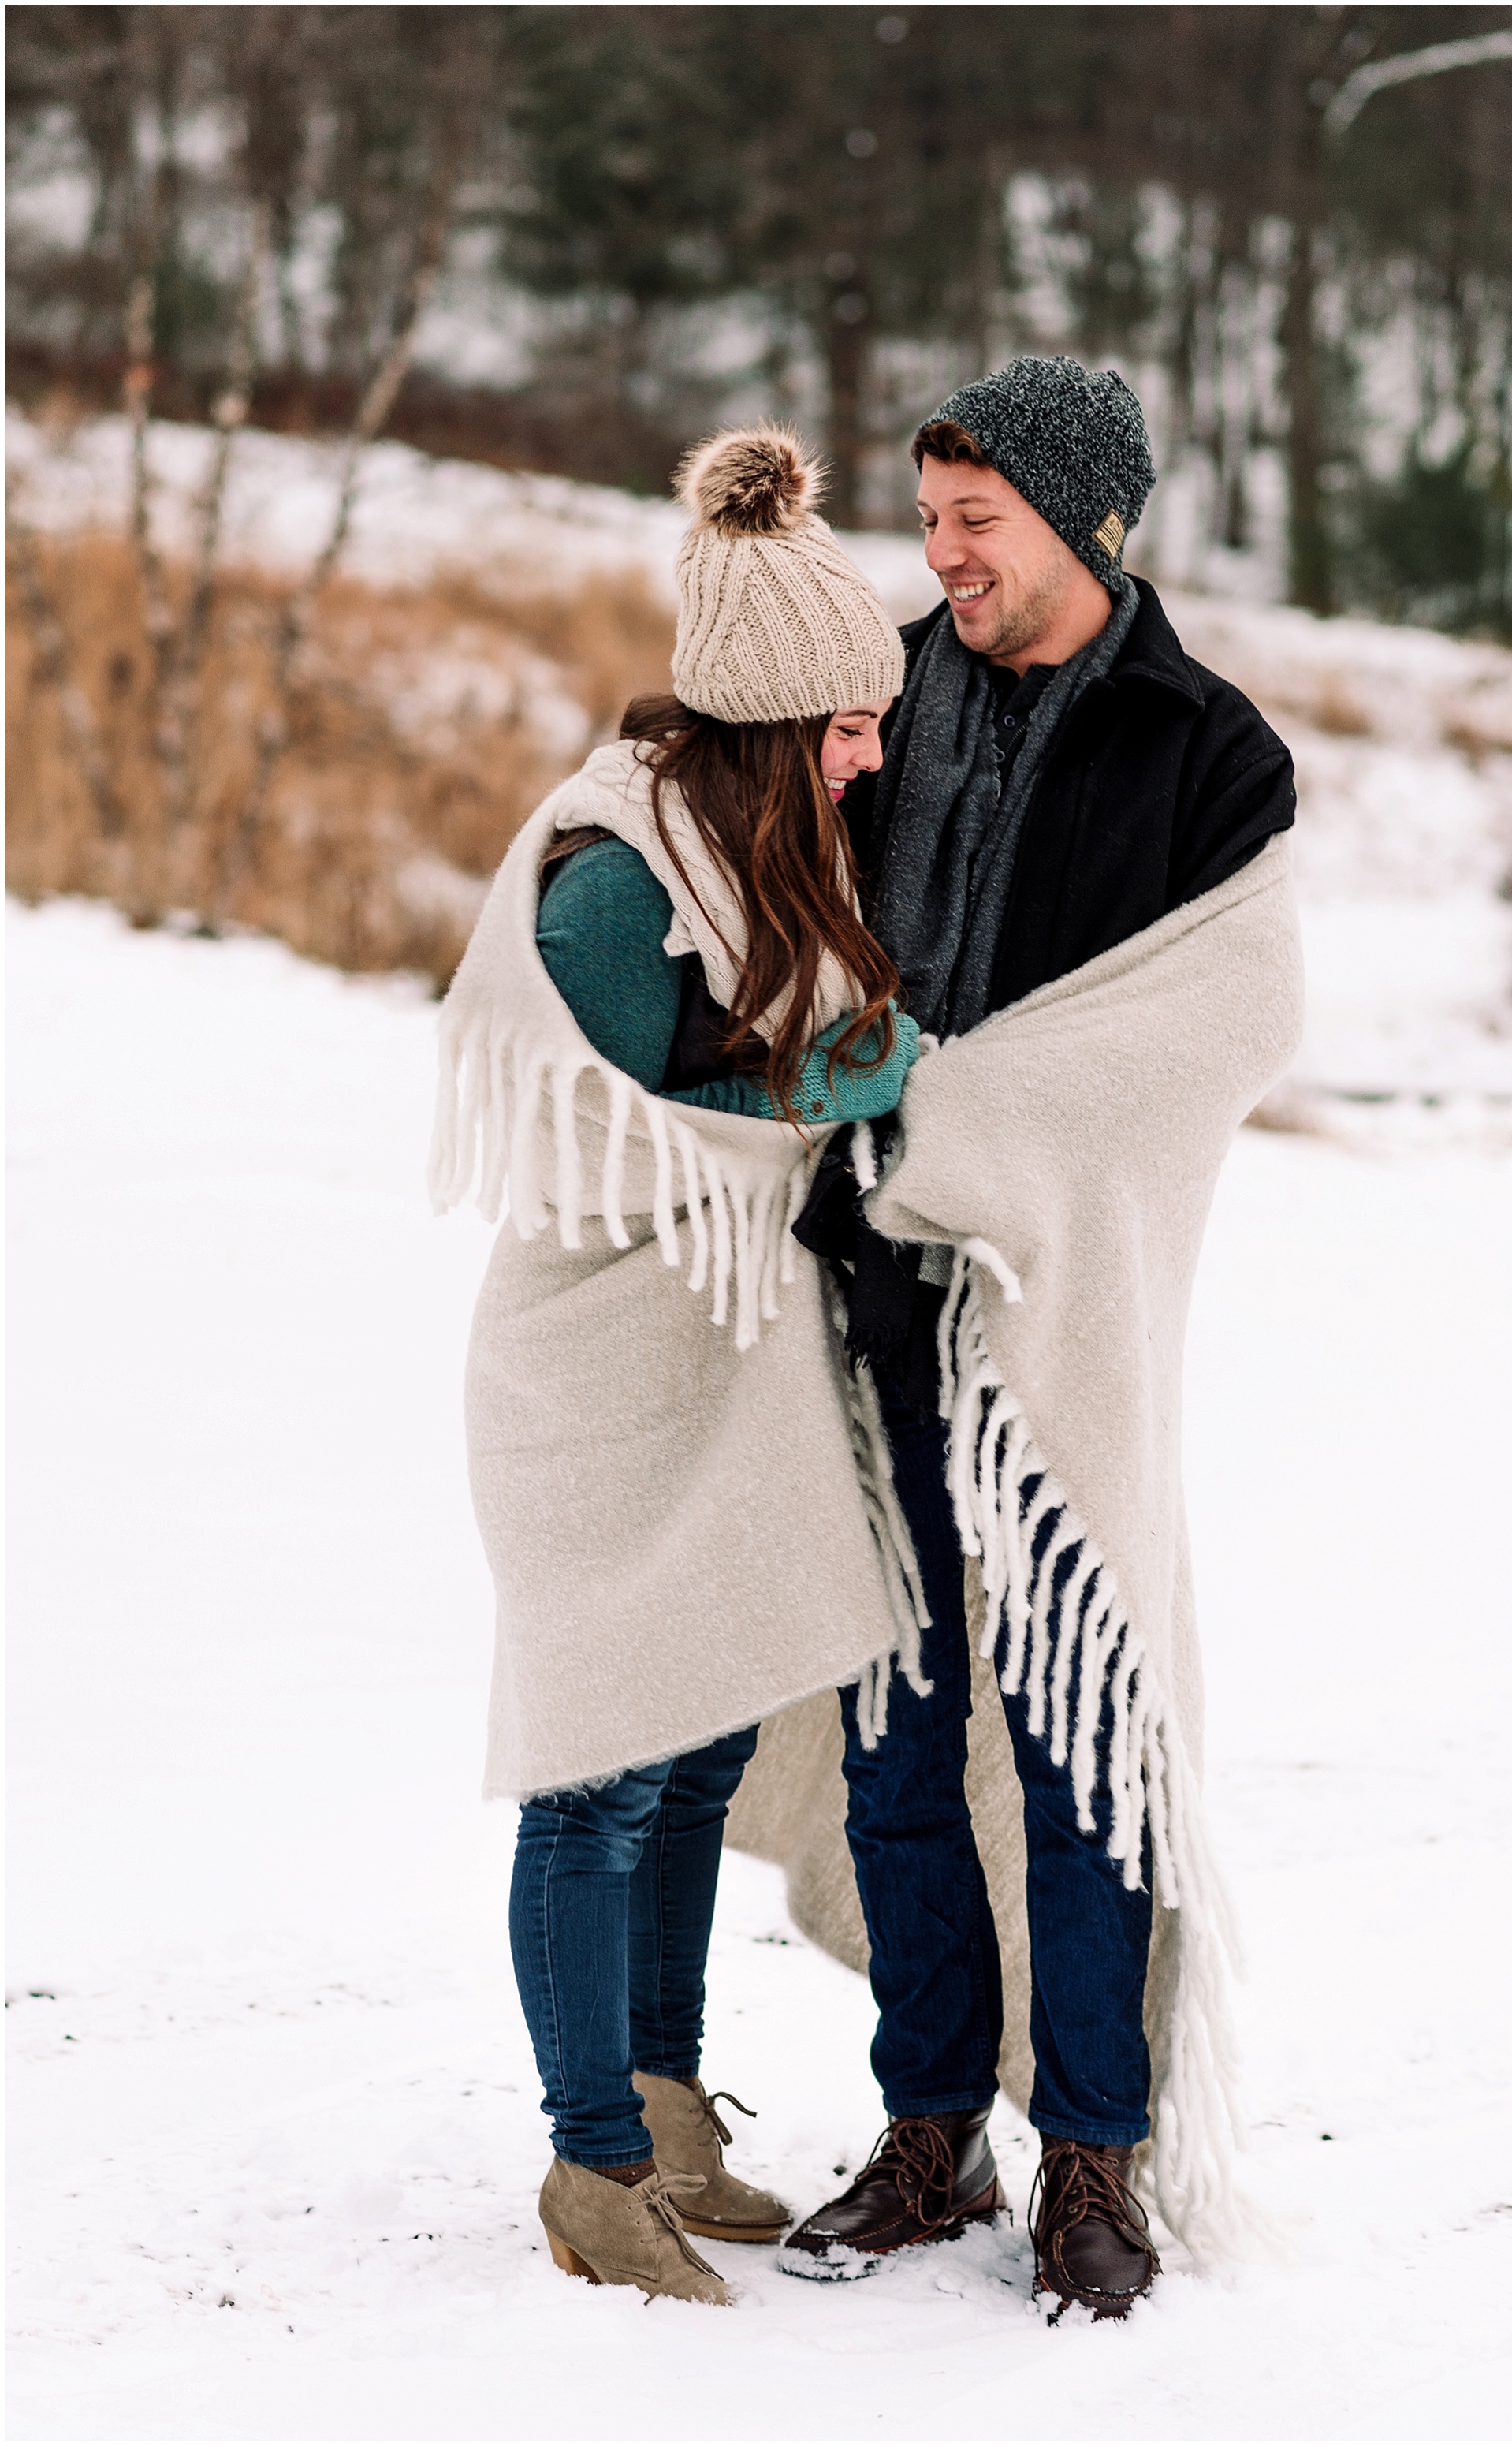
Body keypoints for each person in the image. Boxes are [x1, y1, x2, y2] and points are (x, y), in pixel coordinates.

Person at [776, 356, 1298, 2317]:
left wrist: (955, 1111)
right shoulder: (873, 696)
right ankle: (931, 2131)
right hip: (861, 1282)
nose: (941, 560)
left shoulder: (1204, 750)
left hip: (1058, 1308)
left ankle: (1096, 2154)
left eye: (972, 526)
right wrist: (795, 817)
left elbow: (1222, 1021)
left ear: (1083, 523)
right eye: (927, 525)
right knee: (893, 1729)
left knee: (1084, 1729)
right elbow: (754, 910)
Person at [433, 426, 923, 2306]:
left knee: (699, 1742)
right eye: (853, 727)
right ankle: (587, 2166)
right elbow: (607, 1141)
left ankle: (658, 2103)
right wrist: (831, 1081)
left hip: (713, 1359)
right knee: (599, 1774)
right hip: (595, 1376)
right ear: (776, 722)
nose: (874, 755)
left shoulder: (740, 846)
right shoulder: (608, 884)